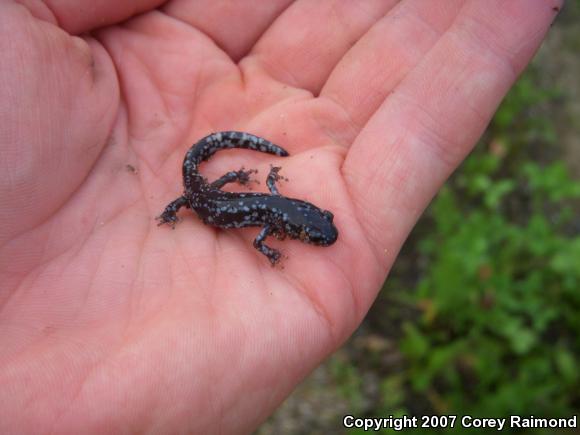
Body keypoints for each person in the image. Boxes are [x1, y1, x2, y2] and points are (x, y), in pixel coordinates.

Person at [0, 0, 562, 433]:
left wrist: (252, 190)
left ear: (302, 216)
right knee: (194, 198)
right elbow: (261, 230)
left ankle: (207, 179)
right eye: (316, 233)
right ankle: (183, 202)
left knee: (208, 185)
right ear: (300, 221)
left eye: (316, 231)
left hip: (213, 191)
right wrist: (216, 222)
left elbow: (266, 209)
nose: (317, 235)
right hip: (203, 198)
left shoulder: (275, 212)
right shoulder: (267, 220)